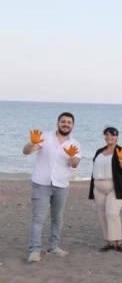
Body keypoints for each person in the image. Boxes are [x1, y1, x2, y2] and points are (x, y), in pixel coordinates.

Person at [22, 112, 81, 263]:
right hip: (41, 183)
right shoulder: (45, 137)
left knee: (57, 218)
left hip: (61, 185)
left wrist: (72, 156)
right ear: (57, 123)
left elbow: (74, 165)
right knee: (38, 218)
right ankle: (35, 250)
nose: (66, 124)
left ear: (73, 126)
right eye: (63, 121)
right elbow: (26, 152)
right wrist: (31, 143)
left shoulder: (75, 143)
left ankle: (53, 246)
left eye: (69, 122)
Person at [89, 126, 122, 253]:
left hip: (115, 187)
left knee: (112, 213)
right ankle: (109, 241)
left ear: (117, 137)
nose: (109, 137)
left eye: (112, 135)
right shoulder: (99, 151)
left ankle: (119, 242)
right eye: (107, 135)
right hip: (98, 187)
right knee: (102, 214)